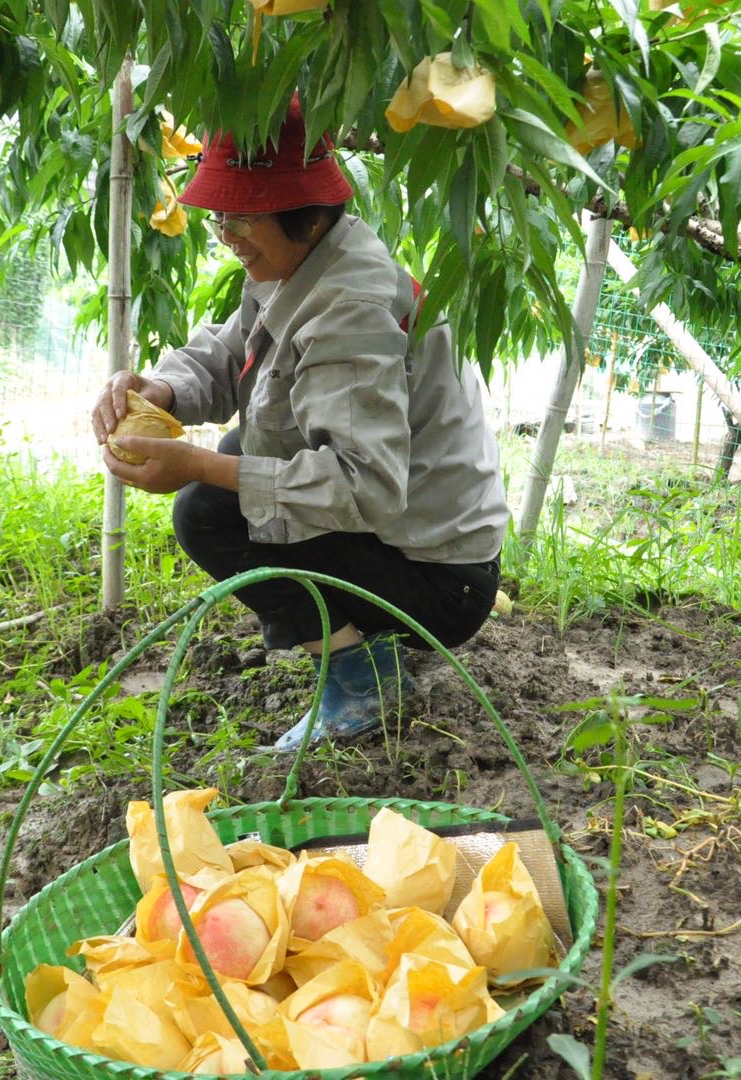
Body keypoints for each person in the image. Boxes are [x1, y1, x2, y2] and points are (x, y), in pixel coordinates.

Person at [90, 95, 507, 752]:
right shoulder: (308, 262)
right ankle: (354, 645)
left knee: (208, 509)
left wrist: (196, 465)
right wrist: (161, 389)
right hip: (412, 543)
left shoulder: (350, 306)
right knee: (237, 457)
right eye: (219, 218)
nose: (226, 236)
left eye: (240, 219)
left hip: (441, 582)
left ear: (307, 216)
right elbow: (238, 350)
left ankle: (363, 680)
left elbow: (364, 486)